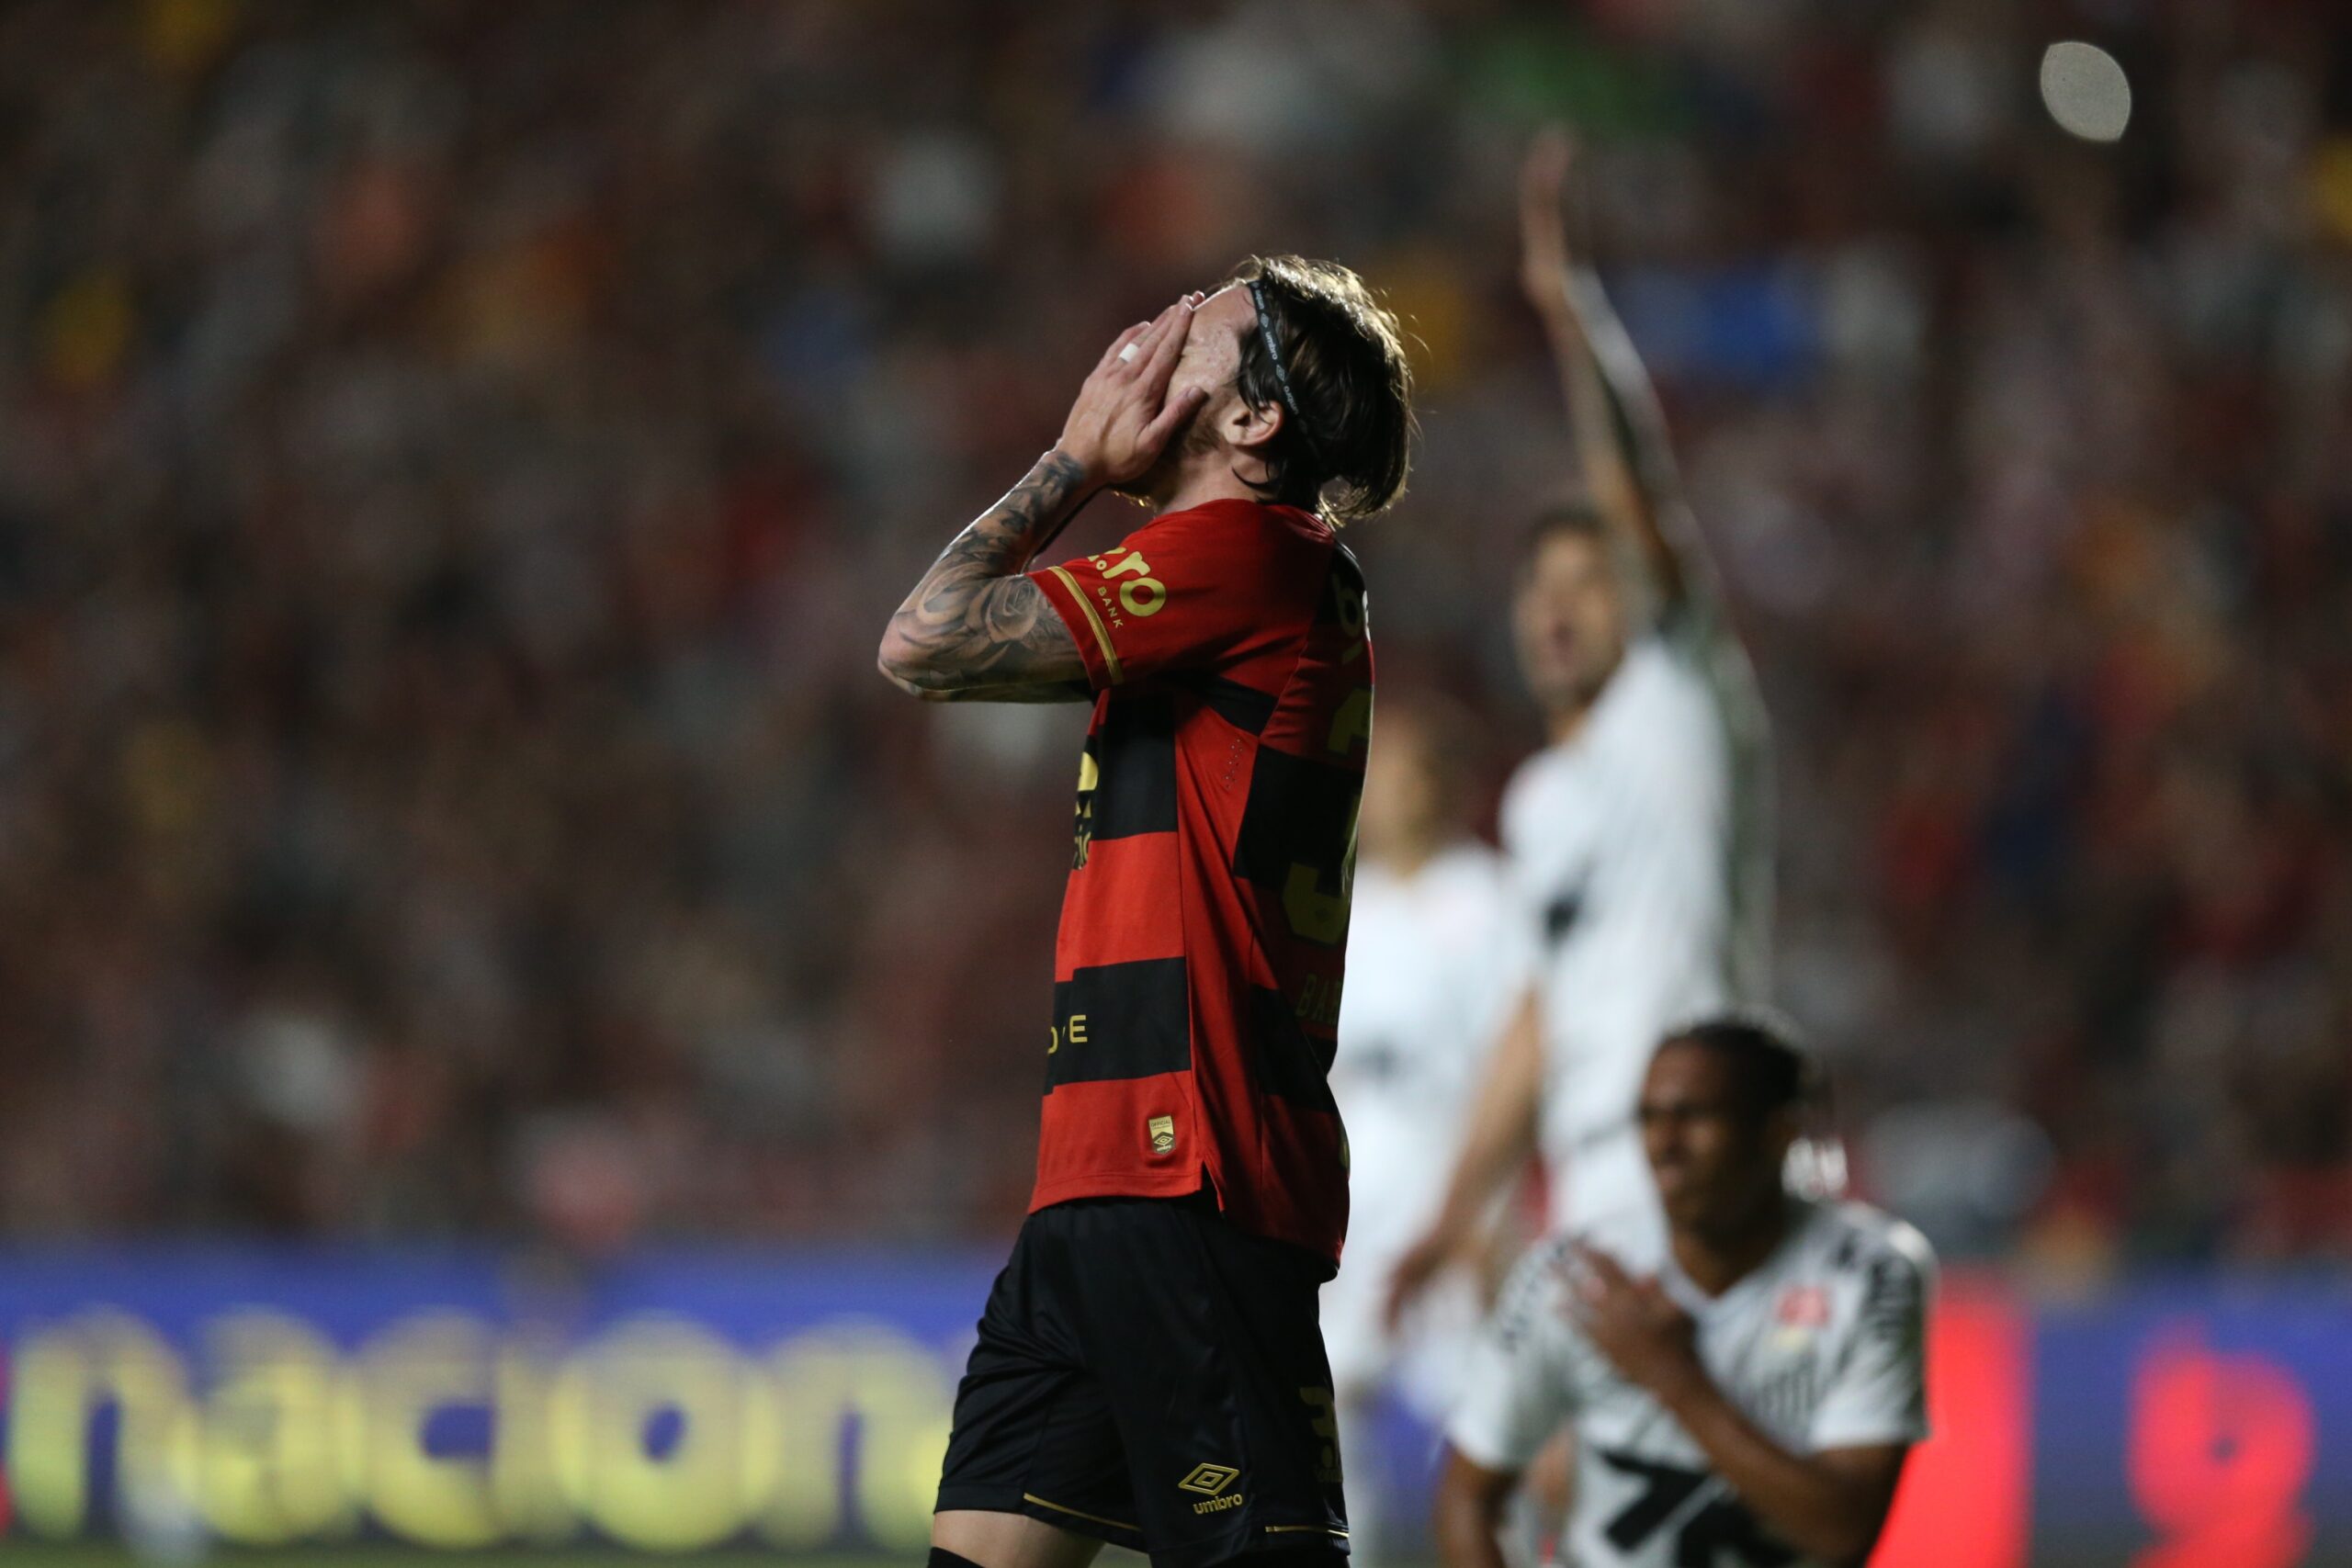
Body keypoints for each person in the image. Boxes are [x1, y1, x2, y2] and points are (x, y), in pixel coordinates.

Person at [876, 256, 1416, 1568]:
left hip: (1194, 1174)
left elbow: (924, 639)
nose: (1147, 344)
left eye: (1194, 337)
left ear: (1253, 420)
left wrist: (1070, 461)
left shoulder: (1250, 551)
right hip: (1109, 1177)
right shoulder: (1247, 572)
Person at [1387, 127, 1774, 1314]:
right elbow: (1536, 1020)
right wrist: (1450, 1218)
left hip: (1698, 1163)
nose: (1556, 609)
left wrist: (1571, 315)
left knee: (1646, 1433)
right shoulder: (1541, 801)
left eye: (1587, 584)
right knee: (1528, 1439)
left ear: (1638, 598)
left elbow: (1637, 494)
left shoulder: (1676, 703)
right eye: (1537, 588)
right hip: (1595, 1184)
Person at [1435, 1019, 1933, 1568]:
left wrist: (1670, 1374)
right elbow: (1467, 1497)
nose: (1664, 1145)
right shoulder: (1574, 1275)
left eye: (1696, 1117)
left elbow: (1842, 1532)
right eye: (1649, 1118)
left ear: (1778, 1133)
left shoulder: (1871, 1273)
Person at [1319, 694, 1535, 1568]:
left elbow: (1518, 1064)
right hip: (1347, 1184)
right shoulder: (1334, 900)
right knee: (1325, 1407)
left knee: (1480, 1415)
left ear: (1443, 783)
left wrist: (1489, 1211)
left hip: (1445, 1174)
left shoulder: (1488, 897)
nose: (1384, 791)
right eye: (1373, 773)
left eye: (1403, 772)